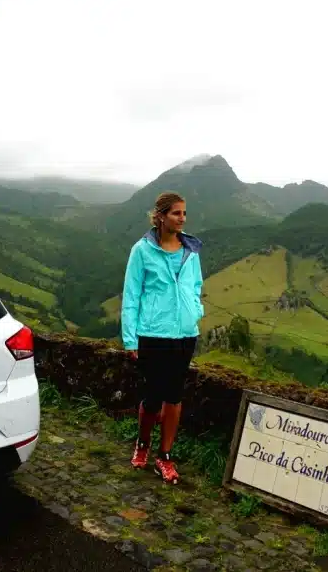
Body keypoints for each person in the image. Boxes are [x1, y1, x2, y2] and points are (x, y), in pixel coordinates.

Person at [121, 191, 204, 485]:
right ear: (160, 216)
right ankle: (142, 445)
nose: (182, 219)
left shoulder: (190, 251)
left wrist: (196, 311)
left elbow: (196, 286)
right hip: (153, 334)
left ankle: (164, 455)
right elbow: (131, 296)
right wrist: (130, 339)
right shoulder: (142, 251)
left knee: (175, 396)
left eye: (184, 213)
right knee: (154, 397)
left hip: (184, 334)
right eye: (176, 213)